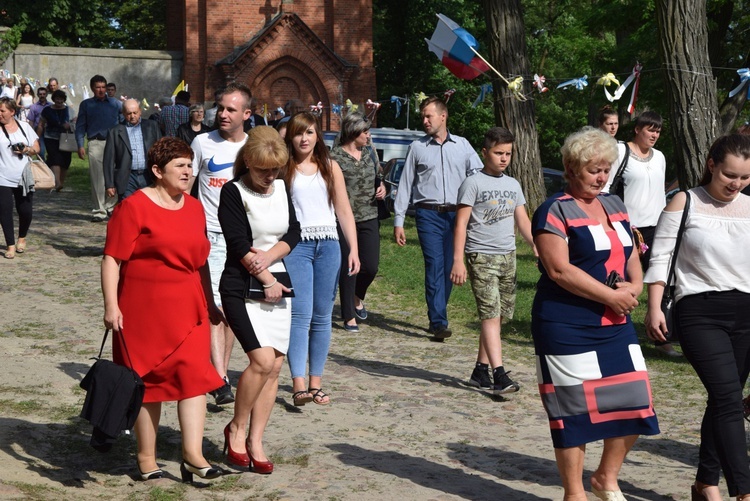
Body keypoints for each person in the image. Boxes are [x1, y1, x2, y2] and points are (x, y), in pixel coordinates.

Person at [531, 127, 659, 500]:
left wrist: (634, 288)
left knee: (636, 401)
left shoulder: (615, 204)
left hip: (614, 324)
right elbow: (559, 270)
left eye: (606, 169)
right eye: (593, 170)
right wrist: (610, 296)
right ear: (571, 169)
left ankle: (606, 477)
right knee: (573, 412)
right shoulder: (553, 210)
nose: (601, 177)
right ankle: (575, 493)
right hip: (566, 324)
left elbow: (632, 252)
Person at [101, 137, 224, 483]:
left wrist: (209, 301)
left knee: (194, 379)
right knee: (146, 382)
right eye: (180, 165)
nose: (188, 171)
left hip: (189, 308)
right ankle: (145, 457)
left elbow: (200, 261)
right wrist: (111, 305)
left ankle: (193, 455)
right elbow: (112, 257)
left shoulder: (196, 207)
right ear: (157, 171)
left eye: (190, 164)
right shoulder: (134, 206)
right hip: (143, 310)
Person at [644, 134, 750, 501]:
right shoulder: (685, 201)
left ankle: (706, 482)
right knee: (728, 399)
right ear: (711, 165)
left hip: (746, 316)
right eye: (729, 175)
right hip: (699, 312)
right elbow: (660, 258)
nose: (735, 184)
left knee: (724, 400)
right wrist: (654, 306)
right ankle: (744, 490)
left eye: (744, 178)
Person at [218, 126, 300, 474]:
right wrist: (264, 275)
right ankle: (236, 428)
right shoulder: (232, 193)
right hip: (240, 285)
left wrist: (269, 259)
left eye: (276, 169)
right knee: (262, 361)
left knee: (276, 367)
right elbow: (238, 245)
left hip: (277, 281)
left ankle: (256, 439)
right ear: (248, 162)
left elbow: (293, 232)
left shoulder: (282, 187)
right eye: (264, 170)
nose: (270, 176)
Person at [450, 127, 534, 395]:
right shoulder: (473, 183)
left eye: (508, 153)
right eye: (498, 153)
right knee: (489, 313)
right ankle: (500, 375)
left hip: (507, 256)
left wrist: (536, 245)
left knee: (500, 317)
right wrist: (458, 261)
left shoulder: (513, 185)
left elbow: (522, 221)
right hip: (481, 255)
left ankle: (479, 370)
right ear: (485, 152)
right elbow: (461, 225)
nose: (504, 158)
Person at [283, 111, 359, 406]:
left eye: (310, 132)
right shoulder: (284, 167)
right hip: (298, 246)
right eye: (299, 133)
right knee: (300, 314)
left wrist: (353, 248)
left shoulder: (330, 167)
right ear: (291, 136)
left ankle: (316, 382)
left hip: (329, 245)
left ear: (318, 136)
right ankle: (298, 383)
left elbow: (343, 210)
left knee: (322, 316)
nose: (304, 138)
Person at [393, 96, 482, 341]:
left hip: (457, 215)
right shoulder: (417, 148)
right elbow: (405, 184)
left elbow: (478, 178)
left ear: (443, 117)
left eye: (428, 116)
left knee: (449, 267)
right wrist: (399, 221)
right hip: (427, 214)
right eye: (423, 116)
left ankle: (438, 311)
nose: (424, 121)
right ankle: (438, 321)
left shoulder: (463, 146)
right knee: (434, 265)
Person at [188, 82, 253, 406]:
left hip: (241, 240)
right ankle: (221, 378)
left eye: (230, 109)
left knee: (231, 306)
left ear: (246, 114)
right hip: (209, 236)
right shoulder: (202, 142)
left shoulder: (252, 148)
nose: (223, 114)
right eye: (221, 108)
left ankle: (219, 373)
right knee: (215, 308)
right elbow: (186, 186)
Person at [603, 111, 679, 357]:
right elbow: (605, 188)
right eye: (650, 129)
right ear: (638, 129)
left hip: (658, 228)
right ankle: (615, 334)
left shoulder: (660, 157)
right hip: (627, 228)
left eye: (658, 131)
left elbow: (659, 191)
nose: (654, 134)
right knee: (621, 282)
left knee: (662, 282)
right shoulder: (621, 152)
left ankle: (661, 338)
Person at [329, 111, 385, 332]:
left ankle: (356, 296)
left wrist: (382, 188)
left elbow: (378, 177)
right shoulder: (335, 157)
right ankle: (348, 316)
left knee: (370, 266)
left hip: (369, 215)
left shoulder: (370, 152)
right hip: (343, 219)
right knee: (349, 266)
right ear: (353, 132)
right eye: (365, 131)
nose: (369, 135)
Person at [76, 75, 121, 222]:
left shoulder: (115, 104)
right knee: (97, 177)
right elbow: (80, 126)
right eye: (98, 87)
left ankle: (111, 206)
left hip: (113, 142)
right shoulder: (86, 105)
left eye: (103, 87)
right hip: (95, 142)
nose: (101, 90)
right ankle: (99, 210)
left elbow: (123, 122)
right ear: (92, 88)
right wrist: (80, 144)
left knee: (114, 175)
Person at [0, 97, 40, 259]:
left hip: (23, 176)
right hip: (2, 177)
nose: (0, 114)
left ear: (12, 112)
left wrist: (27, 150)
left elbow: (37, 148)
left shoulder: (24, 127)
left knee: (26, 211)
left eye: (2, 111)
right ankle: (10, 245)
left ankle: (21, 237)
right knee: (4, 211)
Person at [103, 99, 162, 202]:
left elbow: (161, 151)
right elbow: (109, 159)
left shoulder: (151, 126)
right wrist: (109, 184)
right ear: (124, 114)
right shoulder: (115, 131)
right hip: (127, 177)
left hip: (148, 175)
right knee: (128, 208)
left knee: (148, 207)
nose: (132, 116)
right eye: (129, 113)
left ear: (140, 111)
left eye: (135, 113)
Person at [39, 90, 76, 192]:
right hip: (50, 138)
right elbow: (41, 124)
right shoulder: (47, 110)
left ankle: (60, 183)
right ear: (54, 99)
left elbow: (76, 123)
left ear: (64, 100)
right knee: (55, 158)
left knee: (65, 161)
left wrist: (70, 126)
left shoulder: (69, 111)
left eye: (61, 99)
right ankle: (57, 182)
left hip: (66, 138)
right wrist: (37, 137)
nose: (59, 101)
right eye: (57, 99)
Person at [27, 86, 50, 158]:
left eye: (44, 94)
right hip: (39, 131)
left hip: (50, 130)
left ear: (46, 95)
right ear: (38, 95)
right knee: (41, 152)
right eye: (40, 94)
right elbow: (31, 120)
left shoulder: (51, 106)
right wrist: (30, 132)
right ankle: (41, 166)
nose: (42, 95)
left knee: (51, 152)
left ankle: (49, 167)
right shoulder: (34, 107)